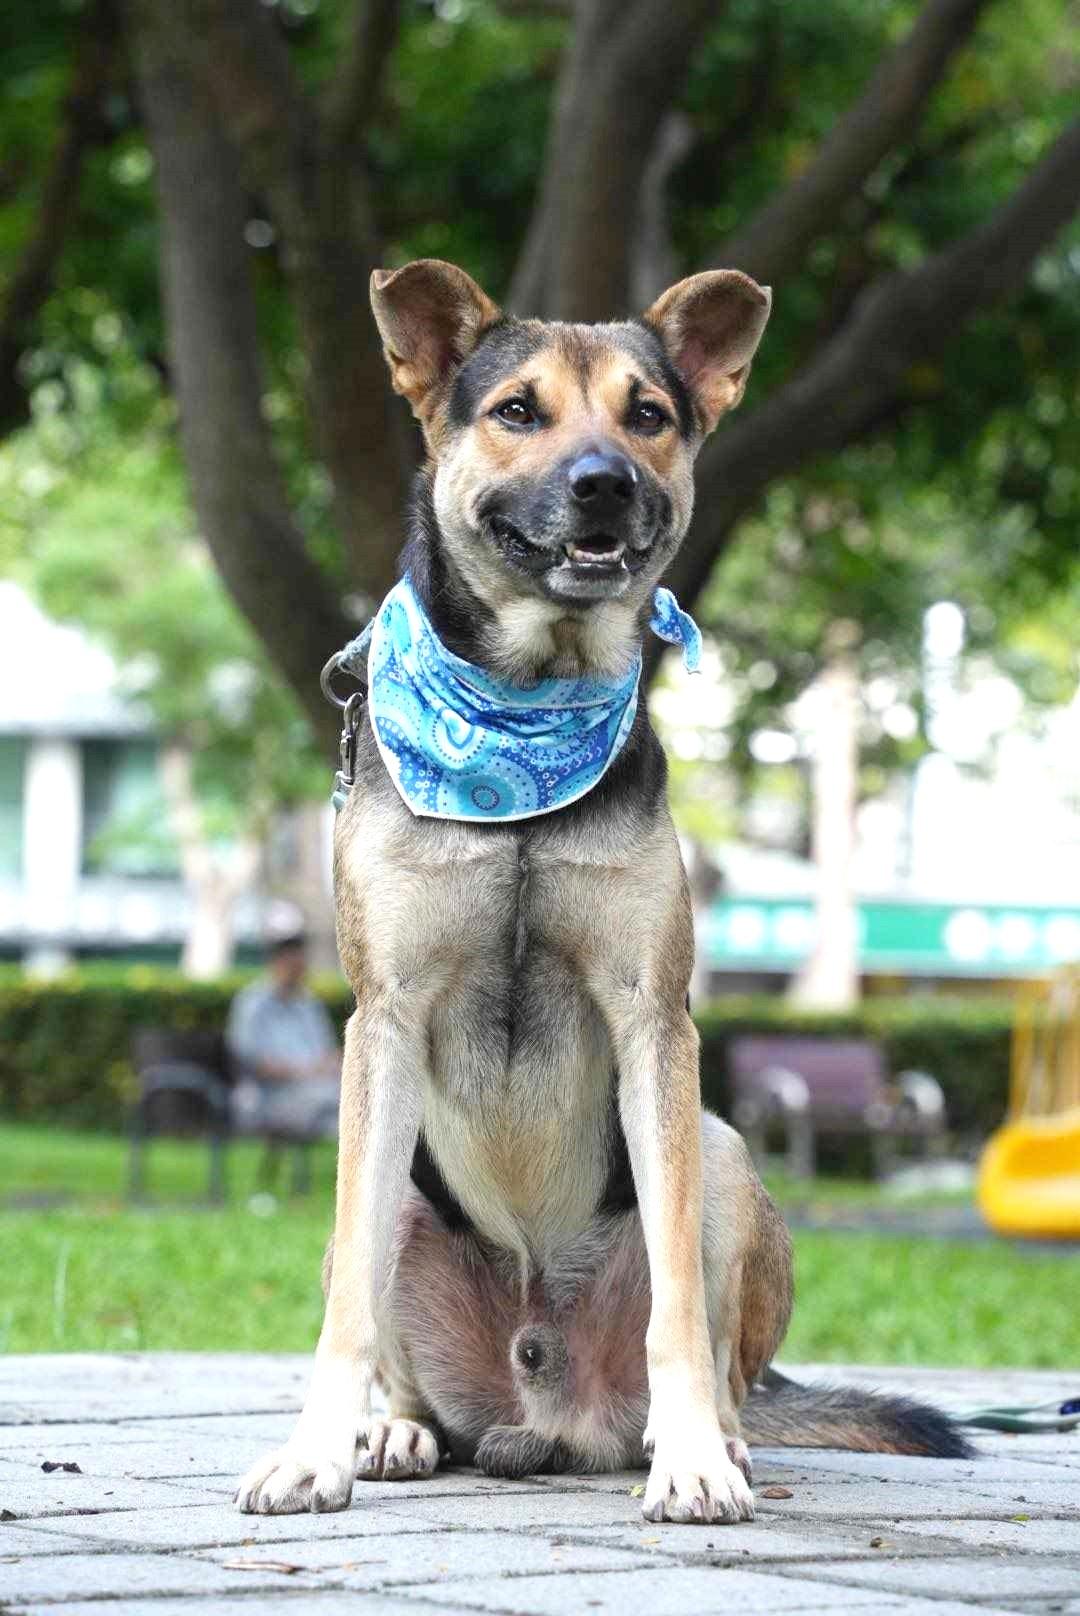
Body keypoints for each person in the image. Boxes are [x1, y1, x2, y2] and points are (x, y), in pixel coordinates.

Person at [226, 934, 342, 1144]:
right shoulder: (251, 1003)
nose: (299, 968)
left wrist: (335, 1063)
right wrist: (304, 1071)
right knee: (339, 1104)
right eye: (292, 962)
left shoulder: (310, 1004)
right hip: (267, 1099)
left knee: (347, 1107)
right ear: (276, 962)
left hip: (316, 1091)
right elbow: (251, 1063)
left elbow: (327, 1053)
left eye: (301, 962)